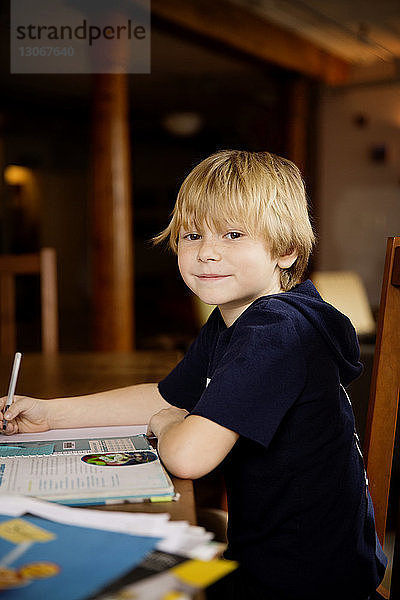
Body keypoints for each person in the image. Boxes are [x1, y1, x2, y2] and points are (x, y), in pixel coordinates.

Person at [1, 150, 387, 599]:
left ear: (286, 250)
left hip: (304, 581)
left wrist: (167, 424)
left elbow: (187, 455)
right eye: (192, 234)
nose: (206, 252)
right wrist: (48, 413)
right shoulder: (236, 319)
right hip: (287, 558)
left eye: (233, 234)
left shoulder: (278, 330)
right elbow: (165, 395)